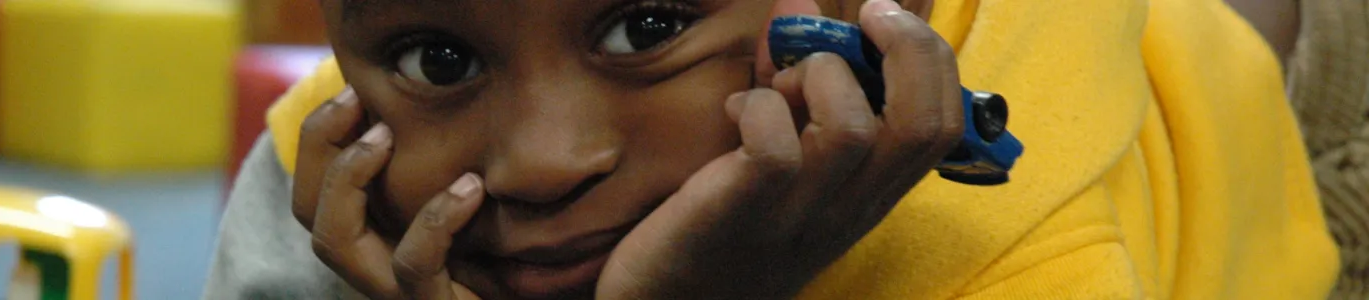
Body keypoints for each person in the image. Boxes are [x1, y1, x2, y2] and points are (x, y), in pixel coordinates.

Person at [203, 0, 1341, 298]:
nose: (541, 165)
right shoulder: (338, 172)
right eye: (439, 56)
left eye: (646, 27)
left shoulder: (1023, 249)